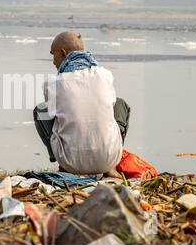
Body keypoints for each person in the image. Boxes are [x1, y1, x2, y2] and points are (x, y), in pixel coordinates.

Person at [33, 31, 130, 178]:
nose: (53, 62)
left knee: (40, 110)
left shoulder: (52, 83)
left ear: (63, 53)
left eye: (54, 55)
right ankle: (111, 169)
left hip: (70, 162)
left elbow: (54, 114)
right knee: (120, 104)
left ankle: (63, 167)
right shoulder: (105, 75)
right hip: (108, 159)